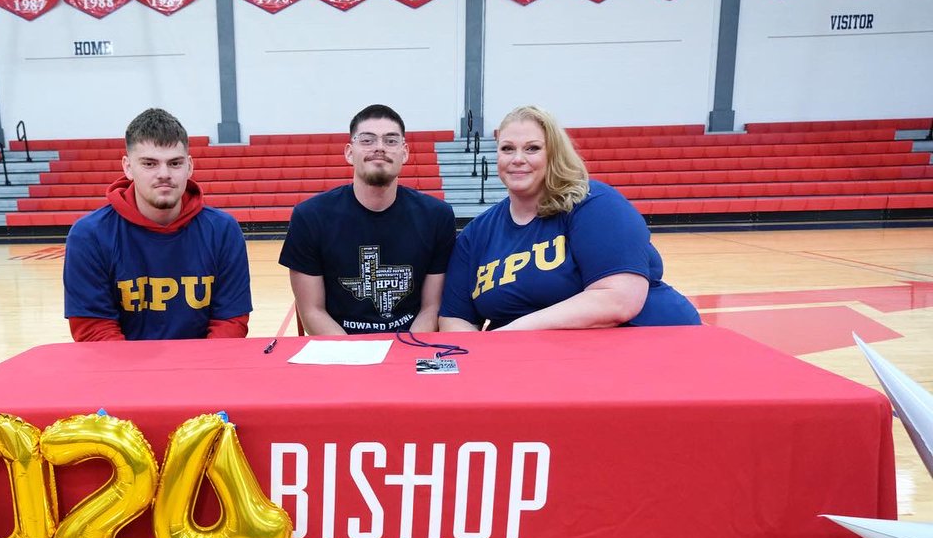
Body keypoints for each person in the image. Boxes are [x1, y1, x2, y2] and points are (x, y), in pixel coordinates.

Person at [439, 105, 700, 331]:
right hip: (540, 362)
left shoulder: (593, 203)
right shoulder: (476, 234)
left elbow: (619, 299)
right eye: (507, 149)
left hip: (651, 344)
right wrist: (479, 357)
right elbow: (454, 320)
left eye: (532, 148)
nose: (517, 159)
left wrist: (510, 334)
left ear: (553, 154)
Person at [63, 108, 252, 341]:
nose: (164, 174)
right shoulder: (89, 235)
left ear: (189, 166)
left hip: (203, 369)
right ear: (128, 167)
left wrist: (200, 372)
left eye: (174, 163)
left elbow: (230, 322)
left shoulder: (223, 230)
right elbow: (94, 329)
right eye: (150, 164)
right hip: (124, 372)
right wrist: (145, 377)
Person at [279, 104, 456, 334]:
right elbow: (312, 311)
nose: (380, 148)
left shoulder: (437, 216)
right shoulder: (310, 217)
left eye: (391, 141)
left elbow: (431, 308)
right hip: (339, 350)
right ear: (349, 152)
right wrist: (356, 361)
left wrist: (405, 355)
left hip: (410, 347)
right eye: (367, 140)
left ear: (405, 152)